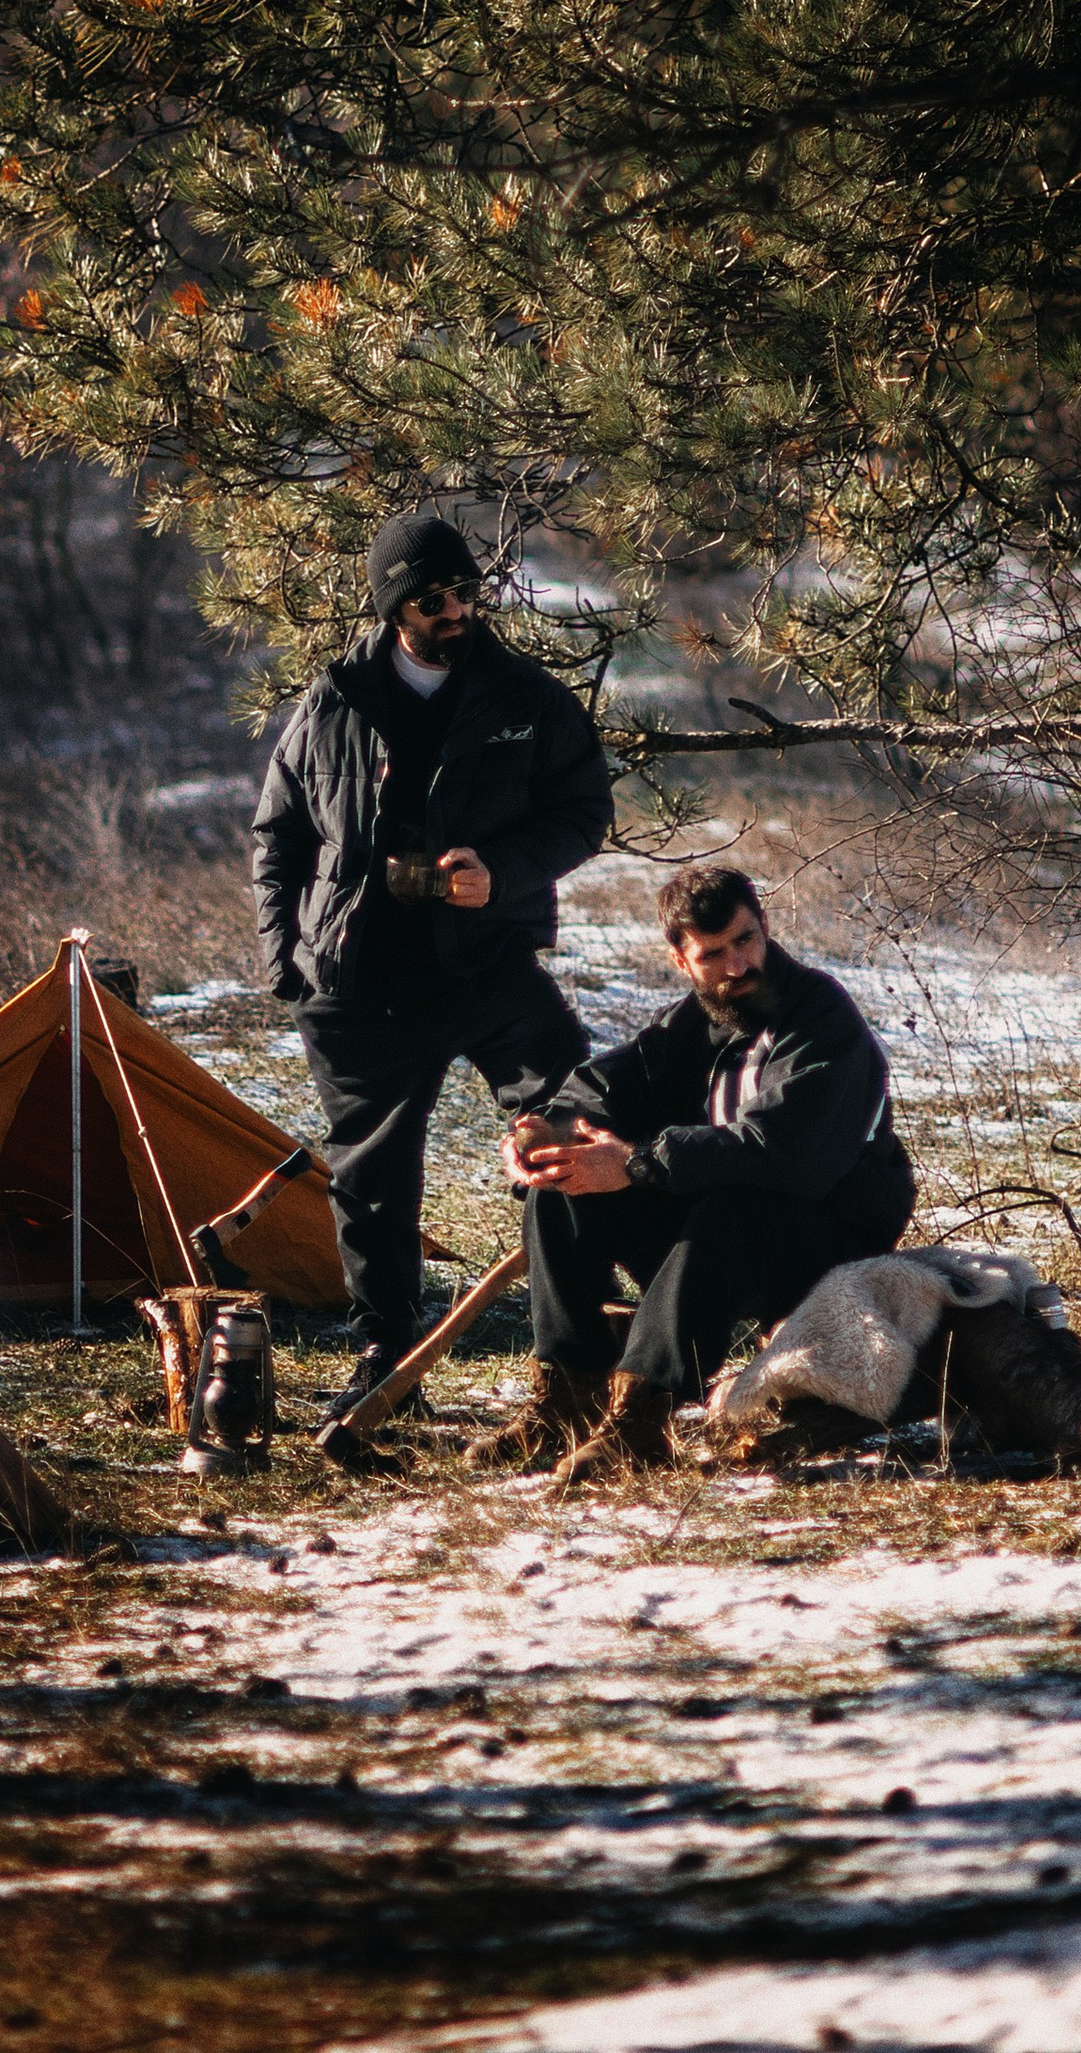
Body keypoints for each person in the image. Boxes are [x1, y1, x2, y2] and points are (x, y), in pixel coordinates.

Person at [253, 506, 613, 1414]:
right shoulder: (332, 701)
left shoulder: (526, 698)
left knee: (571, 1130)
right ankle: (386, 1364)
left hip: (489, 967)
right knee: (372, 1186)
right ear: (395, 610)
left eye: (465, 591)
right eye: (433, 599)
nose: (456, 610)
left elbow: (582, 814)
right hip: (359, 979)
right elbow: (279, 835)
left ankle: (575, 1360)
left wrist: (504, 872)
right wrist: (286, 967)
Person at [472, 862, 915, 1481]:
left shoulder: (822, 1022)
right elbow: (606, 1083)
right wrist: (548, 1131)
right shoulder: (700, 1021)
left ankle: (640, 1419)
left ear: (765, 927)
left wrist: (636, 1164)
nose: (738, 966)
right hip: (731, 1237)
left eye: (746, 941)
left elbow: (787, 1155)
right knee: (561, 1188)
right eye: (713, 954)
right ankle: (566, 1399)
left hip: (832, 1238)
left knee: (730, 1206)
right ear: (681, 962)